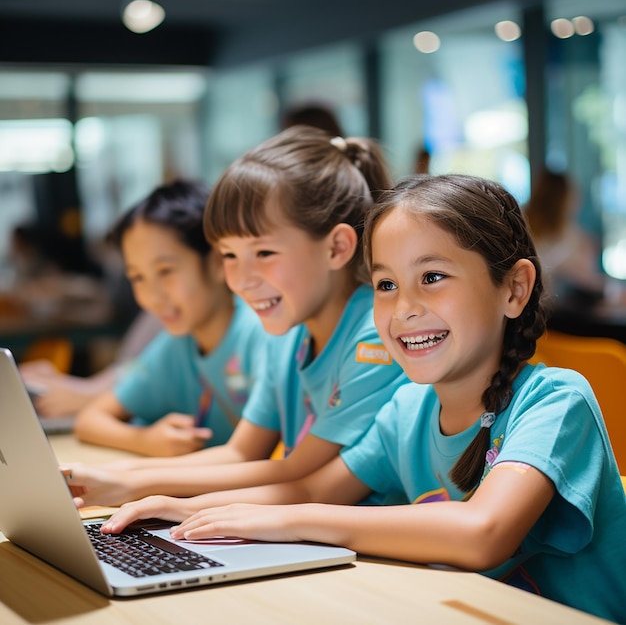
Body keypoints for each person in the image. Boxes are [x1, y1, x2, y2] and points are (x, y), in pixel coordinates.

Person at [101, 174, 626, 623]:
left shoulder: (556, 401)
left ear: (514, 288)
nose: (405, 309)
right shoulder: (408, 410)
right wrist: (185, 511)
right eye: (386, 284)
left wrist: (289, 521)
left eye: (433, 277)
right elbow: (312, 487)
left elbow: (481, 532)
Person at [63, 126, 408, 506]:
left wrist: (142, 488)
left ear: (337, 247)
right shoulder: (289, 332)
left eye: (263, 253)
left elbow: (297, 470)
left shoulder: (374, 334)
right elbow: (241, 453)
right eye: (229, 255)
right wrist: (112, 477)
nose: (241, 280)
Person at [71, 179, 267, 457]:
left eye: (165, 271)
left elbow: (253, 457)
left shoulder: (258, 332)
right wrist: (145, 440)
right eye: (137, 277)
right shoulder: (176, 346)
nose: (153, 296)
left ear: (217, 262)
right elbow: (89, 420)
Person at [19, 310, 162, 418]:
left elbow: (144, 375)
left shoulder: (170, 325)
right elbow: (133, 367)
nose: (150, 296)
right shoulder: (155, 315)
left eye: (165, 271)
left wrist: (89, 397)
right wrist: (78, 386)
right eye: (137, 277)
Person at [523, 167, 604, 301]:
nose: (577, 202)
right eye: (572, 196)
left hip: (554, 307)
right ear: (561, 199)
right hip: (545, 309)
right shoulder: (525, 227)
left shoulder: (571, 232)